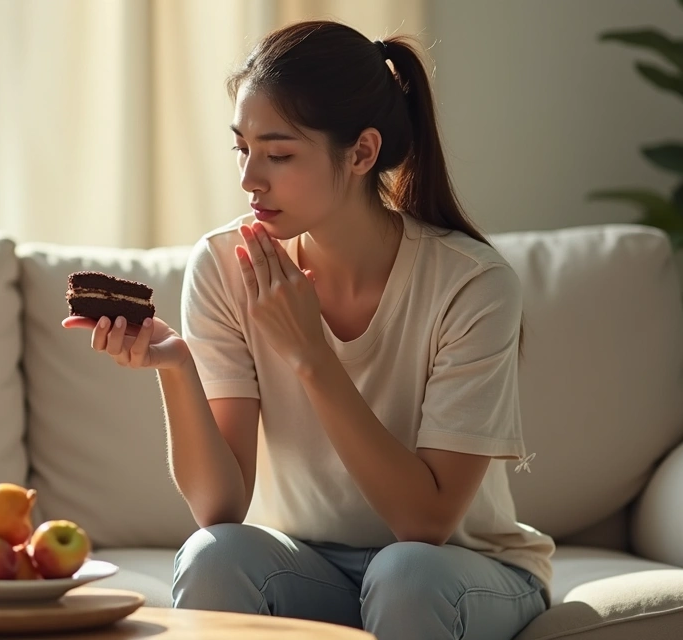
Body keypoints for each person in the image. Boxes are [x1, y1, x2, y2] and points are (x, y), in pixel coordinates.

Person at [62, 19, 554, 640]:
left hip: (461, 572)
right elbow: (221, 509)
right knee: (214, 555)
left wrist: (311, 356)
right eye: (242, 148)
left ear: (361, 153)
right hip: (313, 569)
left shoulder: (471, 284)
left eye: (279, 153)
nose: (249, 180)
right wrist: (178, 368)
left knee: (404, 575)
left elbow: (424, 523)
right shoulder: (223, 266)